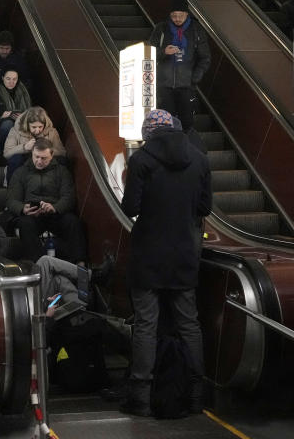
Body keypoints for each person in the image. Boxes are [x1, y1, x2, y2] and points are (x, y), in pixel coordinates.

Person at [119, 109, 212, 417]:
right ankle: (196, 395)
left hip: (148, 254)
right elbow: (205, 206)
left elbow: (130, 206)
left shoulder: (141, 160)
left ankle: (141, 399)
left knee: (146, 324)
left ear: (148, 134)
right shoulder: (199, 158)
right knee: (189, 323)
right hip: (185, 252)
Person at [6, 138, 87, 264]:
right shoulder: (21, 172)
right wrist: (23, 209)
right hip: (32, 214)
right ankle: (38, 264)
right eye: (36, 156)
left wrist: (55, 207)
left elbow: (69, 197)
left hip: (55, 213)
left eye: (44, 158)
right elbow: (12, 199)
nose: (39, 161)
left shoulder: (61, 172)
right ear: (32, 153)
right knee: (25, 224)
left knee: (73, 222)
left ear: (52, 155)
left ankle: (80, 263)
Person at [148, 0, 211, 133]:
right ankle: (170, 151)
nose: (177, 18)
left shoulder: (196, 30)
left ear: (187, 14)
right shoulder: (162, 29)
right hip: (165, 85)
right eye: (174, 15)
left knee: (187, 123)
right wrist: (164, 51)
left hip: (186, 85)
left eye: (180, 15)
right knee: (166, 123)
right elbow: (149, 53)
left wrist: (194, 78)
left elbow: (205, 58)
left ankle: (185, 150)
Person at [4, 106, 66, 184]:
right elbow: (7, 153)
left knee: (62, 161)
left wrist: (47, 151)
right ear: (27, 125)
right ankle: (12, 186)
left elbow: (62, 152)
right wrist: (24, 147)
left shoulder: (52, 132)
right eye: (34, 127)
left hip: (44, 161)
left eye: (40, 127)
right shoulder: (16, 130)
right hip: (25, 161)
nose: (37, 130)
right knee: (15, 159)